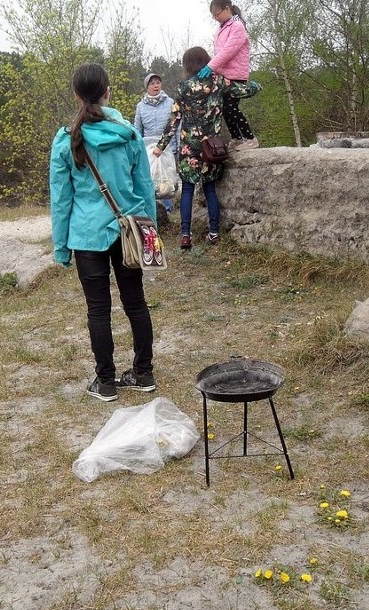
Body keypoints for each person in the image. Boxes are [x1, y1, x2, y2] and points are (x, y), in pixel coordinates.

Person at [50, 62, 157, 402]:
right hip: (128, 230)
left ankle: (106, 382)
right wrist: (150, 235)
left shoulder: (67, 138)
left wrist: (61, 246)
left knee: (97, 309)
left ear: (76, 95)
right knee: (135, 302)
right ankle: (143, 373)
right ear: (107, 91)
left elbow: (62, 196)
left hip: (87, 234)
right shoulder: (128, 133)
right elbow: (144, 187)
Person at [155, 47, 232, 249]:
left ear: (187, 65)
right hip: (212, 149)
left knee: (187, 190)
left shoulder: (183, 87)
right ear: (206, 60)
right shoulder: (218, 82)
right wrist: (254, 85)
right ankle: (214, 233)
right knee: (210, 190)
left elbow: (175, 119)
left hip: (189, 148)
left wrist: (161, 146)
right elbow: (243, 90)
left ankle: (185, 235)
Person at [198, 0, 258, 150]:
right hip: (224, 75)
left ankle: (250, 137)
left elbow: (228, 51)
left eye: (216, 14)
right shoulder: (221, 28)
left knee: (231, 108)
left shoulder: (237, 26)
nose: (215, 18)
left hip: (236, 74)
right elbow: (219, 52)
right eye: (213, 16)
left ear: (227, 9)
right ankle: (237, 138)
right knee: (224, 108)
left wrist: (210, 66)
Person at [134, 72, 177, 221]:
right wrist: (136, 148)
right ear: (147, 87)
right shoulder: (140, 106)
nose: (156, 85)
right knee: (150, 179)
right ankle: (151, 210)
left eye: (158, 82)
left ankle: (168, 211)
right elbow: (137, 129)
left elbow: (176, 125)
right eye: (152, 83)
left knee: (166, 179)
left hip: (167, 147)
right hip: (148, 149)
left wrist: (177, 146)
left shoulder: (170, 102)